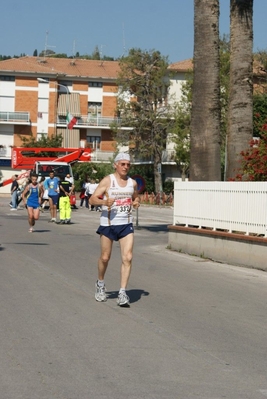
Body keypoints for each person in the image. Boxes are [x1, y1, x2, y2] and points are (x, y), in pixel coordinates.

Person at [89, 153, 140, 307]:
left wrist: (136, 202)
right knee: (105, 257)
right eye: (123, 164)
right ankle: (100, 283)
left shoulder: (132, 183)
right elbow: (92, 199)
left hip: (126, 224)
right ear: (116, 165)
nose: (126, 167)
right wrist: (104, 201)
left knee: (128, 257)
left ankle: (122, 292)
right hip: (108, 224)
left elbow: (136, 197)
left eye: (128, 164)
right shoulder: (108, 180)